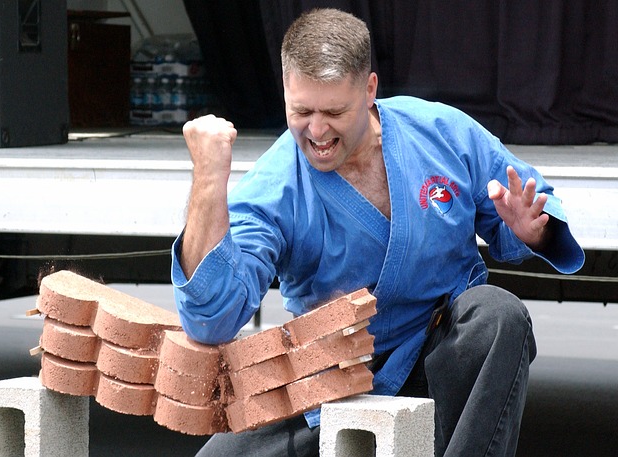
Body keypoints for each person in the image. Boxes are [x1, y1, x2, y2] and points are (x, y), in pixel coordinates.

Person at [171, 8, 584, 457]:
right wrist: (208, 178)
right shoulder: (275, 186)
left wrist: (533, 231)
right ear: (285, 89)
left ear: (369, 90)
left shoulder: (440, 133)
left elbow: (533, 201)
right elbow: (211, 319)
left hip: (439, 355)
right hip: (329, 376)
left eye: (334, 111)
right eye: (302, 111)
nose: (317, 130)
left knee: (498, 315)